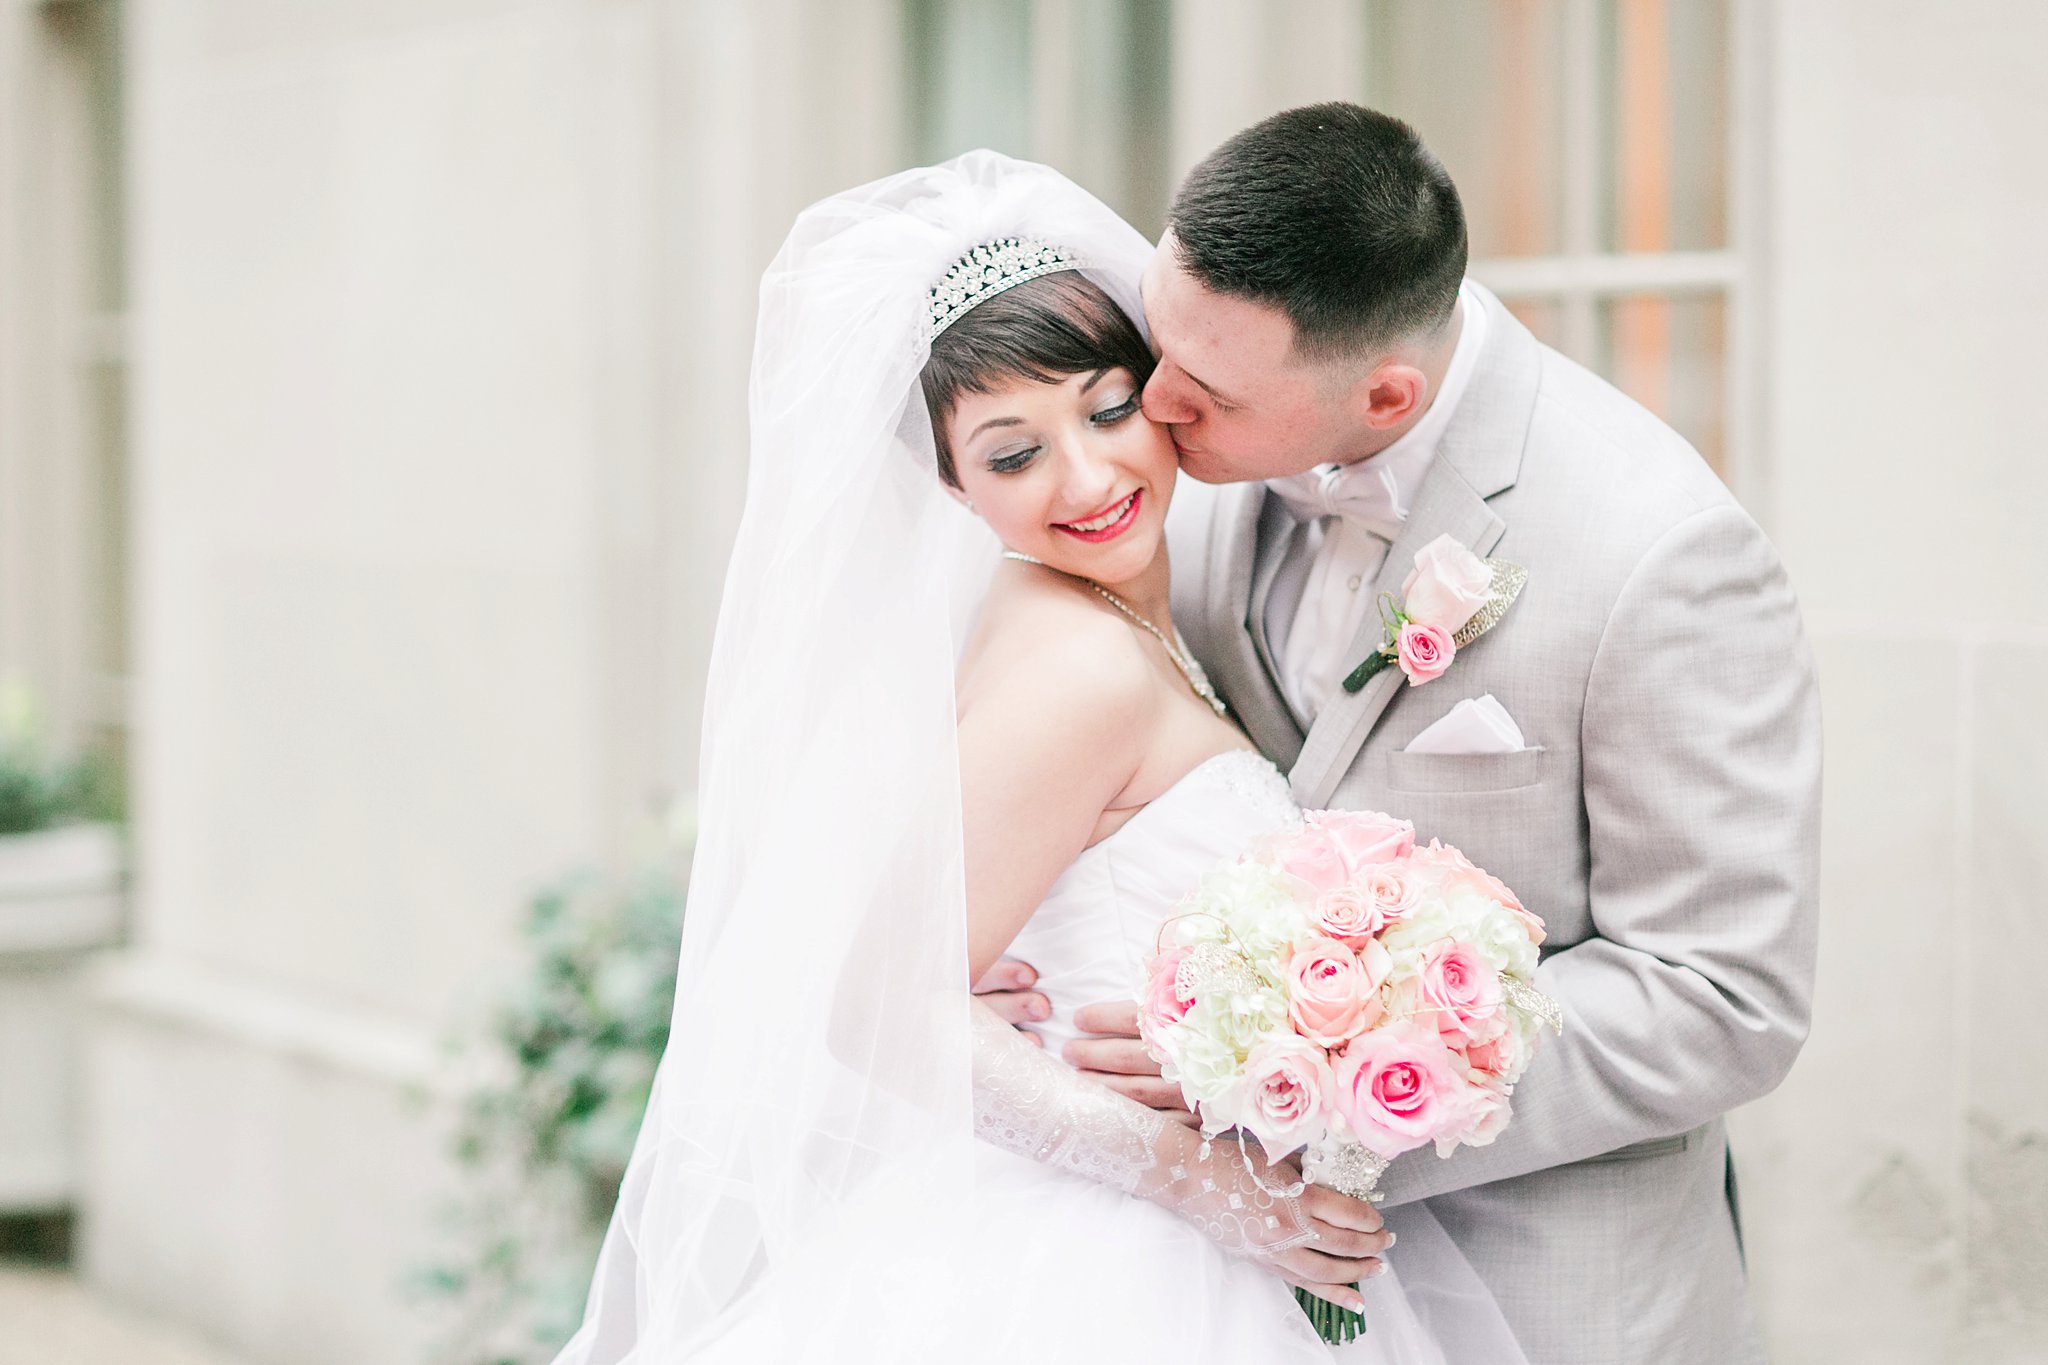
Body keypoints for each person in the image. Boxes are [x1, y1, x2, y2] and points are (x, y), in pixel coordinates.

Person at [551, 152, 1530, 1363]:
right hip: (1126, 1267)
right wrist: (1203, 1184)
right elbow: (875, 1006)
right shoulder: (1081, 665)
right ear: (954, 488)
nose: (1089, 476)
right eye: (1013, 455)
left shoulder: (1111, 614)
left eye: (1108, 407)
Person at [981, 103, 1822, 1365]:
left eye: (1197, 391)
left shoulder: (1656, 555)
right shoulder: (1178, 477)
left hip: (1540, 1292)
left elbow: (1719, 991)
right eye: (1157, 343)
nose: (1147, 409)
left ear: (1384, 394)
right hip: (1202, 1295)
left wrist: (1287, 1081)